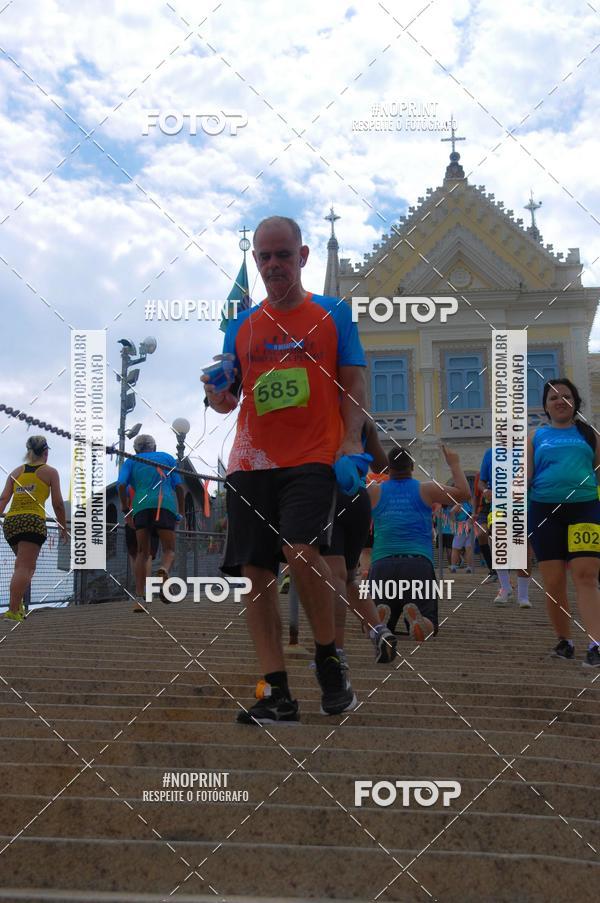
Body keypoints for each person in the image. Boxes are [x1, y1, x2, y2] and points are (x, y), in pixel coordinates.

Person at [203, 215, 367, 724]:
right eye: (265, 257)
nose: (274, 264)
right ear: (257, 261)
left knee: (301, 552)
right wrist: (215, 394)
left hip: (314, 458)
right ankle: (277, 691)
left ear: (303, 255)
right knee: (256, 576)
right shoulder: (242, 324)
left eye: (283, 254)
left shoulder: (334, 314)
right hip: (251, 461)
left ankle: (328, 659)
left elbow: (353, 386)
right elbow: (226, 400)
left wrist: (351, 442)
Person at [527, 378, 600, 667]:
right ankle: (564, 641)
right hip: (544, 511)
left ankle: (596, 644)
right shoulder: (535, 436)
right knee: (554, 582)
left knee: (586, 576)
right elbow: (527, 476)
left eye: (566, 396)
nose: (560, 401)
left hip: (585, 510)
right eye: (553, 397)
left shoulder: (590, 434)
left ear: (575, 401)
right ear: (546, 406)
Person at [367, 445, 470, 640]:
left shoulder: (373, 492)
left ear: (388, 468)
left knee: (375, 625)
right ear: (412, 467)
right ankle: (421, 622)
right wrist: (454, 464)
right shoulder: (427, 489)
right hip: (417, 563)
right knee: (427, 618)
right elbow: (464, 494)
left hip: (382, 564)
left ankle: (377, 621)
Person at [325, 417, 397, 669]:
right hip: (358, 497)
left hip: (327, 496)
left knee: (335, 578)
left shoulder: (318, 407)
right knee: (349, 577)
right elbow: (382, 464)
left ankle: (336, 654)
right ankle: (379, 630)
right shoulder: (362, 420)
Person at [0, 436, 66, 622]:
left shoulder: (15, 472)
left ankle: (18, 606)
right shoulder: (50, 472)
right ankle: (13, 611)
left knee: (23, 565)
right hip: (32, 521)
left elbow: (3, 499)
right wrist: (63, 526)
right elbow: (58, 504)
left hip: (11, 523)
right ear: (45, 452)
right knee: (25, 567)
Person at [117, 435, 185, 613]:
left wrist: (125, 508)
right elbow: (179, 486)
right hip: (166, 505)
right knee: (169, 550)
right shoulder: (168, 458)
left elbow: (121, 485)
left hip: (141, 507)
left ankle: (140, 599)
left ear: (136, 449)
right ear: (154, 447)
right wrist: (181, 512)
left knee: (142, 552)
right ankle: (163, 569)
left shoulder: (132, 460)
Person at [479, 445, 531, 607]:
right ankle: (505, 587)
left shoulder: (526, 451)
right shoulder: (490, 452)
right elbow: (482, 481)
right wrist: (486, 490)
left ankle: (523, 596)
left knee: (522, 550)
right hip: (498, 506)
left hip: (522, 506)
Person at [125, 485, 159, 588]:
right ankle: (147, 588)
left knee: (134, 555)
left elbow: (126, 505)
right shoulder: (155, 484)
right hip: (150, 520)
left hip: (133, 519)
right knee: (147, 555)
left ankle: (138, 588)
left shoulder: (129, 486)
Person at [450, 498, 474, 573]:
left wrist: (454, 520)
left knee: (455, 548)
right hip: (471, 527)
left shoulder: (460, 504)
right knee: (469, 548)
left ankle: (453, 566)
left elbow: (451, 512)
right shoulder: (469, 504)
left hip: (462, 527)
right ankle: (469, 567)